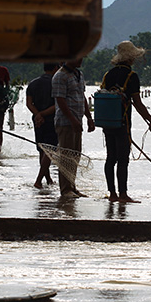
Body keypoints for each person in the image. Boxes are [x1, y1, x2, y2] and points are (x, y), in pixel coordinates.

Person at [100, 40, 151, 202]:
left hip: (107, 123)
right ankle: (123, 194)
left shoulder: (108, 75)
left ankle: (112, 194)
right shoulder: (131, 76)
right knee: (123, 158)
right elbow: (138, 104)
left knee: (111, 158)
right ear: (131, 58)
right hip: (123, 123)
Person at [51, 58, 95, 199]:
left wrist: (88, 117)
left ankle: (72, 187)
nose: (80, 59)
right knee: (66, 156)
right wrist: (72, 119)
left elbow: (81, 97)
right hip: (65, 122)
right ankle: (65, 190)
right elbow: (60, 100)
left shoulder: (79, 74)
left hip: (78, 120)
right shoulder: (60, 76)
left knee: (75, 155)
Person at [26, 63, 60, 189]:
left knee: (42, 149)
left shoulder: (33, 83)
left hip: (37, 120)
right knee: (50, 150)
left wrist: (37, 115)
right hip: (51, 119)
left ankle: (48, 178)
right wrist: (43, 114)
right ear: (55, 68)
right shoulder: (56, 83)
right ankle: (39, 180)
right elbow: (58, 104)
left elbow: (29, 103)